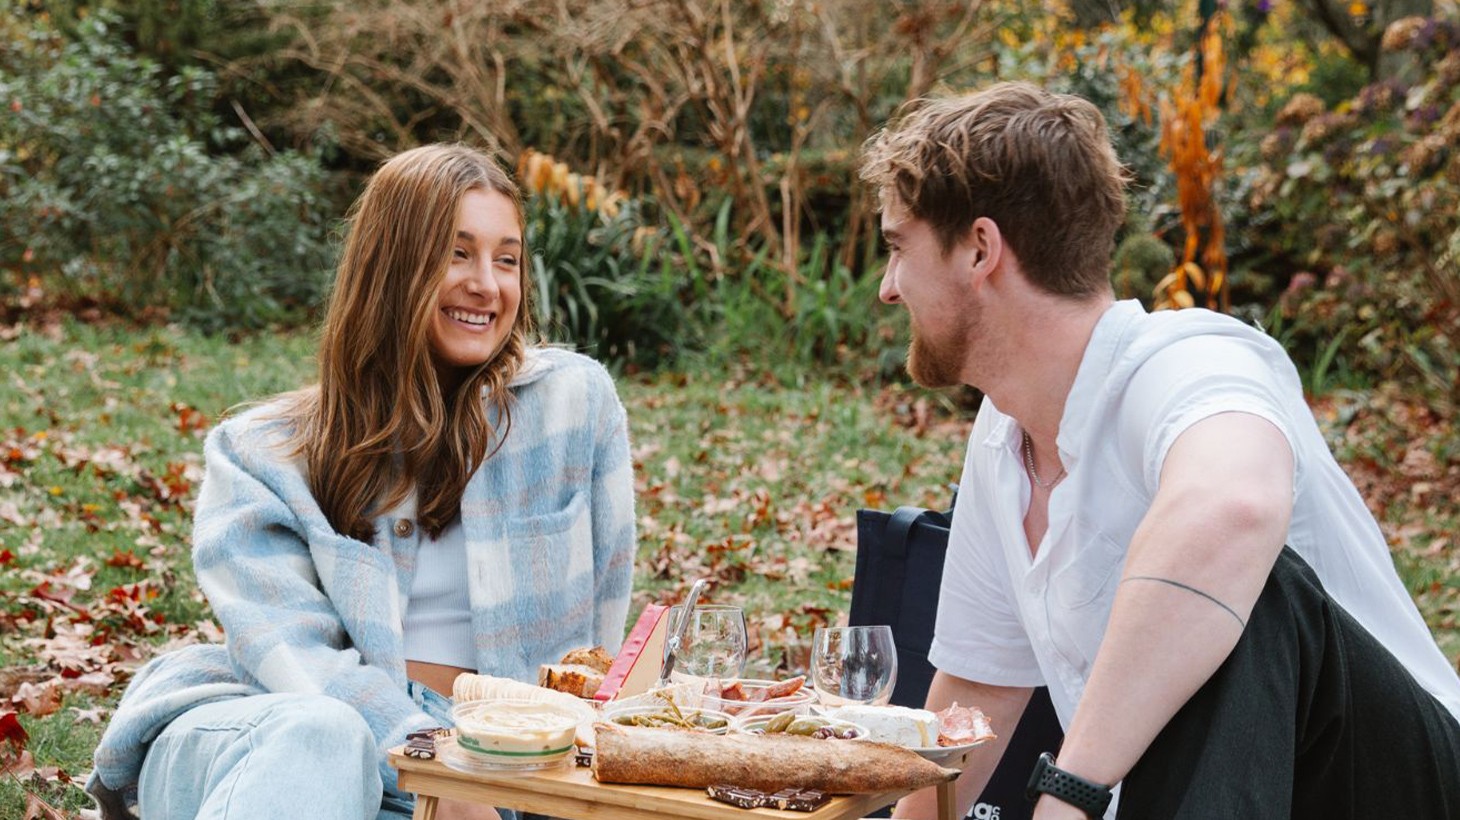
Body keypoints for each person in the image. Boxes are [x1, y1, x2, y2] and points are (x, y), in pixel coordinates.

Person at [860, 82, 1460, 819]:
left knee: (1249, 584)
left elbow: (1236, 508)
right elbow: (980, 693)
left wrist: (1071, 790)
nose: (889, 288)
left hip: (1398, 787)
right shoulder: (1004, 433)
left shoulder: (1189, 364)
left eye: (898, 247)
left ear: (981, 249)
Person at [84, 144, 637, 820]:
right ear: (392, 266)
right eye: (456, 253)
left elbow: (597, 645)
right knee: (328, 734)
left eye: (507, 258)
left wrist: (525, 775)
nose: (487, 284)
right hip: (285, 734)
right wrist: (439, 767)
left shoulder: (572, 406)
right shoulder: (263, 453)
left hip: (505, 766)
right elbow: (294, 658)